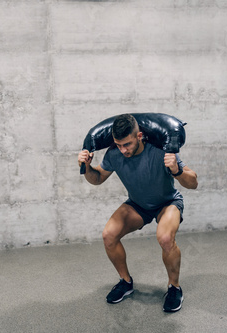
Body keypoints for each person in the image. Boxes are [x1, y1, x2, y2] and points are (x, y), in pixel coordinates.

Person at [77, 114, 198, 312]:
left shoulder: (160, 150)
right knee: (108, 235)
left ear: (139, 136)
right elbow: (97, 179)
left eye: (127, 144)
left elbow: (193, 182)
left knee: (166, 238)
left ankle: (174, 288)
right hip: (137, 205)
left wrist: (177, 170)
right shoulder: (114, 153)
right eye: (118, 144)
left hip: (167, 203)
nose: (123, 150)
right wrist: (87, 166)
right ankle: (125, 282)